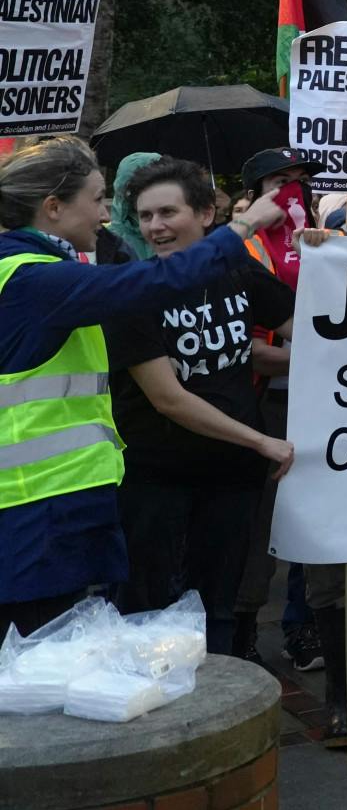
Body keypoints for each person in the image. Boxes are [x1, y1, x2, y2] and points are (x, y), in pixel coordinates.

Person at [0, 136, 287, 639]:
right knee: (41, 665)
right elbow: (153, 286)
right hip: (36, 517)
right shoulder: (34, 279)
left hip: (55, 510)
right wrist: (243, 225)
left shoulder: (42, 273)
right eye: (98, 198)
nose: (107, 214)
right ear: (52, 207)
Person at [109, 158, 298, 653]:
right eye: (146, 216)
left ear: (206, 215)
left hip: (232, 477)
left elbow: (311, 329)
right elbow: (169, 399)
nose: (156, 226)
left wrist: (331, 250)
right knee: (152, 615)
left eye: (168, 212)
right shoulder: (133, 293)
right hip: (157, 479)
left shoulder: (238, 269)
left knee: (219, 609)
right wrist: (261, 440)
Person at [230, 146, 333, 674]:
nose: (294, 190)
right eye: (280, 181)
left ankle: (304, 624)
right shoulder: (241, 254)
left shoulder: (325, 245)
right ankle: (243, 626)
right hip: (263, 404)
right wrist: (308, 355)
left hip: (323, 403)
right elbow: (243, 347)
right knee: (260, 522)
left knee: (313, 518)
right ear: (254, 194)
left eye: (301, 181)